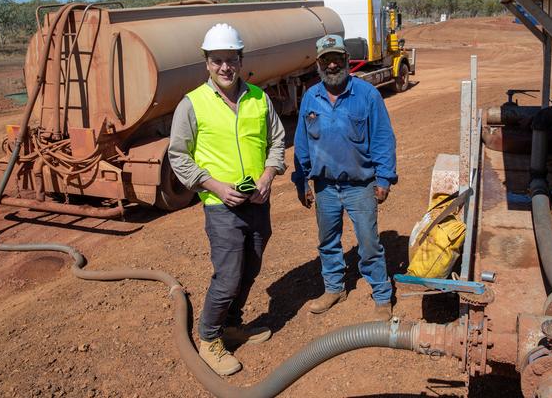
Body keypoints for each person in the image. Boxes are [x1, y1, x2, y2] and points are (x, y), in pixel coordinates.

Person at [168, 23, 286, 376]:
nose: (224, 67)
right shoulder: (192, 104)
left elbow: (277, 141)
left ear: (240, 60)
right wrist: (214, 186)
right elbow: (178, 155)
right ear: (206, 62)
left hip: (258, 201)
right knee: (229, 275)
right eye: (217, 60)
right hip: (222, 207)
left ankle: (233, 324)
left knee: (251, 267)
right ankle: (209, 338)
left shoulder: (258, 98)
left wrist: (268, 175)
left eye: (230, 60)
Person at [292, 34, 397, 320]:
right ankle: (334, 288)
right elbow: (302, 141)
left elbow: (383, 138)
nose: (333, 65)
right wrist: (301, 180)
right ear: (318, 63)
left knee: (368, 242)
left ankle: (381, 295)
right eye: (326, 60)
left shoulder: (367, 94)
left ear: (347, 61)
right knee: (327, 242)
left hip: (360, 185)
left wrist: (384, 179)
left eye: (337, 58)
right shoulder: (310, 96)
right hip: (324, 186)